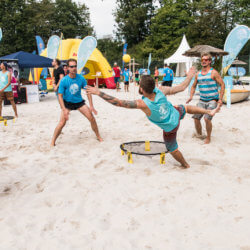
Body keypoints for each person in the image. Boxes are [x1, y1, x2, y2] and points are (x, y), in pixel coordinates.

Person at [87, 67, 220, 169]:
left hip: (170, 127)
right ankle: (208, 111)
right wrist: (190, 75)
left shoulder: (143, 104)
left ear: (142, 89)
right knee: (186, 107)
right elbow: (182, 87)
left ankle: (185, 164)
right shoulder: (161, 89)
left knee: (172, 148)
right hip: (175, 113)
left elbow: (119, 103)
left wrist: (98, 92)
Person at [51, 59, 103, 146]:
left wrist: (91, 106)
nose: (74, 68)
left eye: (75, 66)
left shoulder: (81, 78)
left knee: (92, 118)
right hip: (67, 103)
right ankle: (53, 141)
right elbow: (60, 96)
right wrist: (63, 109)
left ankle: (98, 136)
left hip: (79, 102)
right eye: (71, 66)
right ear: (67, 68)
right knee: (61, 123)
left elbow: (88, 91)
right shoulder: (64, 80)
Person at [186, 53, 225, 144]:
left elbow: (222, 84)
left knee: (207, 119)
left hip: (212, 100)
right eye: (202, 60)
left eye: (206, 60)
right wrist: (191, 96)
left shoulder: (213, 72)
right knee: (196, 118)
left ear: (210, 61)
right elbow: (193, 86)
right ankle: (199, 135)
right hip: (202, 100)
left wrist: (220, 99)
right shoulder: (198, 74)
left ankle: (208, 137)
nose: (204, 61)